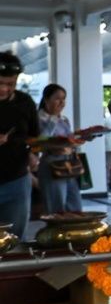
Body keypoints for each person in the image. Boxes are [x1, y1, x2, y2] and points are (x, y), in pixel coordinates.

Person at [0, 52, 38, 238]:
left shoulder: (25, 103)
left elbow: (33, 137)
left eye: (10, 84)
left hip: (16, 181)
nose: (4, 89)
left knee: (15, 239)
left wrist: (32, 153)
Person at [36, 83, 83, 214]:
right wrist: (53, 119)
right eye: (57, 98)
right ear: (46, 100)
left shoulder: (64, 119)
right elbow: (40, 141)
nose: (62, 102)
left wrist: (80, 137)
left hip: (69, 165)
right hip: (52, 166)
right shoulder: (38, 118)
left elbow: (69, 140)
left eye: (64, 98)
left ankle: (73, 233)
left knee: (75, 207)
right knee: (56, 210)